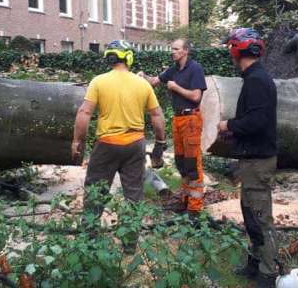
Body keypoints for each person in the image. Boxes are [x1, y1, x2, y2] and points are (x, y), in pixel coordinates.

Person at [71, 40, 167, 223]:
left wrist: (77, 141)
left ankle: (89, 240)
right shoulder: (143, 84)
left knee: (96, 192)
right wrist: (160, 142)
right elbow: (156, 115)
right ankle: (130, 246)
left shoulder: (98, 81)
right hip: (135, 145)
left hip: (106, 145)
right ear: (129, 57)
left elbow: (84, 112)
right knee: (133, 195)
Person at [217, 28, 279, 287]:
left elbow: (256, 121)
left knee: (260, 217)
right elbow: (257, 120)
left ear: (237, 49)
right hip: (252, 156)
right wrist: (235, 137)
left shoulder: (256, 80)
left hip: (258, 160)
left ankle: (268, 272)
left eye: (231, 48)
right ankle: (255, 263)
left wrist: (228, 126)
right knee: (251, 215)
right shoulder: (255, 77)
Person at [140, 39, 207, 214]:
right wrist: (141, 77)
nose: (172, 52)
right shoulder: (174, 69)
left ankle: (195, 209)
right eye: (172, 49)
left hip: (191, 118)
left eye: (176, 49)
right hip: (178, 119)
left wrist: (176, 87)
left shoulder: (195, 69)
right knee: (181, 162)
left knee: (192, 164)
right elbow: (154, 81)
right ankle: (185, 200)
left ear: (185, 51)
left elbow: (196, 97)